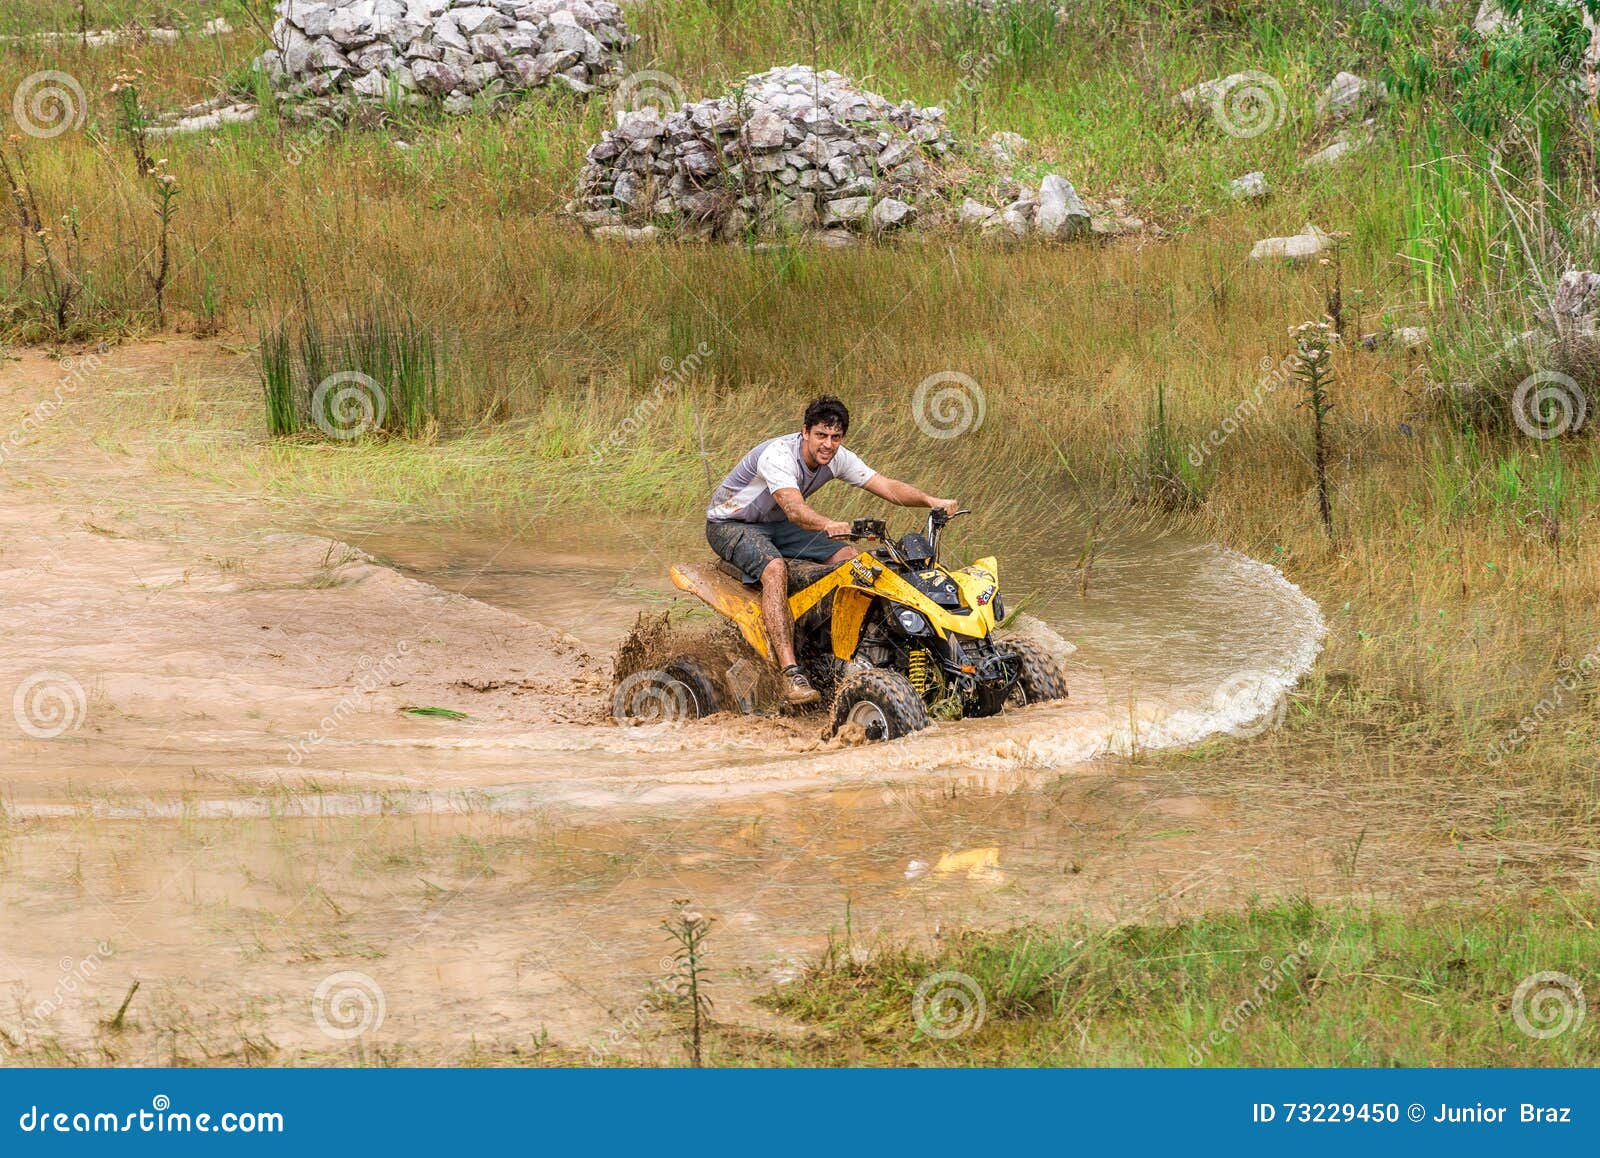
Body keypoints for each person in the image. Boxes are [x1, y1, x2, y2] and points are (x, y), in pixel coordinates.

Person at [705, 395, 958, 706]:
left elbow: (889, 487)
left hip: (777, 524)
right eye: (821, 436)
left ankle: (837, 646)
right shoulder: (778, 455)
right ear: (805, 432)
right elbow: (795, 510)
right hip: (731, 523)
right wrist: (827, 523)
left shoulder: (838, 457)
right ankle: (791, 673)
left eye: (835, 437)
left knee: (851, 560)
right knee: (774, 569)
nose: (828, 445)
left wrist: (932, 502)